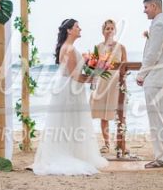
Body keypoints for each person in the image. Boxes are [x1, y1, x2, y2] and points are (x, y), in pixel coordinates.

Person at [31, 19, 108, 176]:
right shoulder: (70, 49)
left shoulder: (67, 47)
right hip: (70, 90)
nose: (80, 29)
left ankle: (72, 152)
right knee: (71, 123)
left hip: (67, 87)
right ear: (69, 30)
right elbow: (75, 75)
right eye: (77, 26)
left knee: (68, 124)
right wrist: (92, 78)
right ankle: (70, 155)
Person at [136, 0, 163, 169]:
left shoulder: (159, 25)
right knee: (161, 118)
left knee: (157, 120)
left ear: (154, 6)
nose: (144, 11)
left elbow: (153, 55)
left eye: (146, 7)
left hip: (156, 78)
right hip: (162, 77)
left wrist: (141, 75)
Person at [90, 19, 126, 154]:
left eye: (112, 28)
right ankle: (106, 144)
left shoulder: (121, 47)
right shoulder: (98, 47)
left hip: (116, 83)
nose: (110, 31)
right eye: (107, 28)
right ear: (103, 31)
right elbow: (93, 68)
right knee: (103, 115)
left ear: (115, 31)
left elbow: (125, 67)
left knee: (119, 114)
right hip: (103, 83)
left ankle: (120, 144)